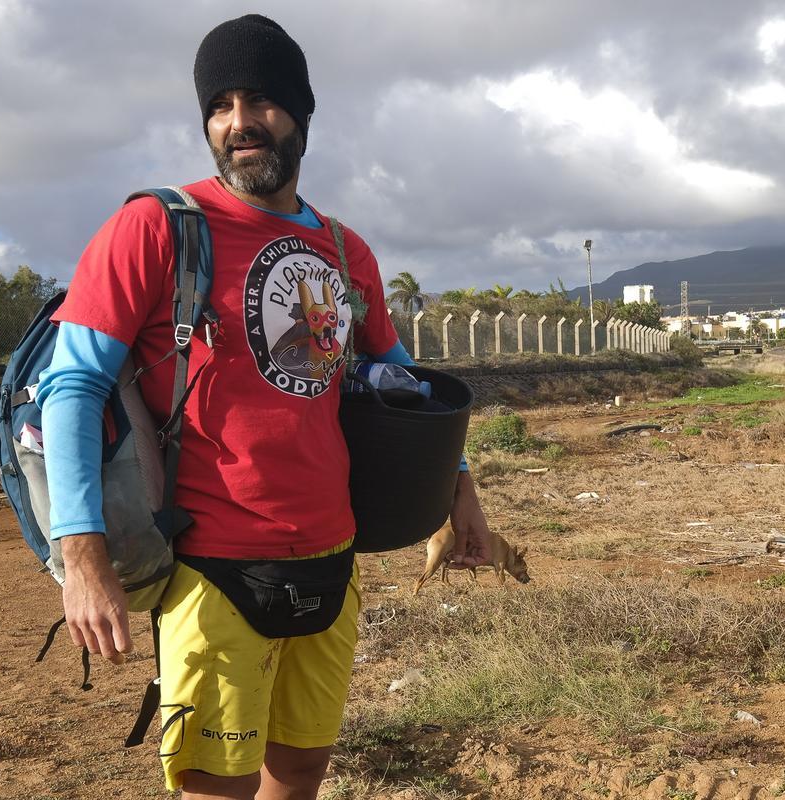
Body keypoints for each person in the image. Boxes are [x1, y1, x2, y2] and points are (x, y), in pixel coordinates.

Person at [36, 14, 493, 800]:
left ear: (302, 114)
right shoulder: (154, 228)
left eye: (261, 100)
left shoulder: (346, 251)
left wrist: (461, 491)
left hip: (332, 559)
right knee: (219, 787)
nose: (239, 122)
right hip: (212, 572)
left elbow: (401, 384)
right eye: (220, 106)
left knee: (303, 771)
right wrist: (81, 561)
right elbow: (71, 385)